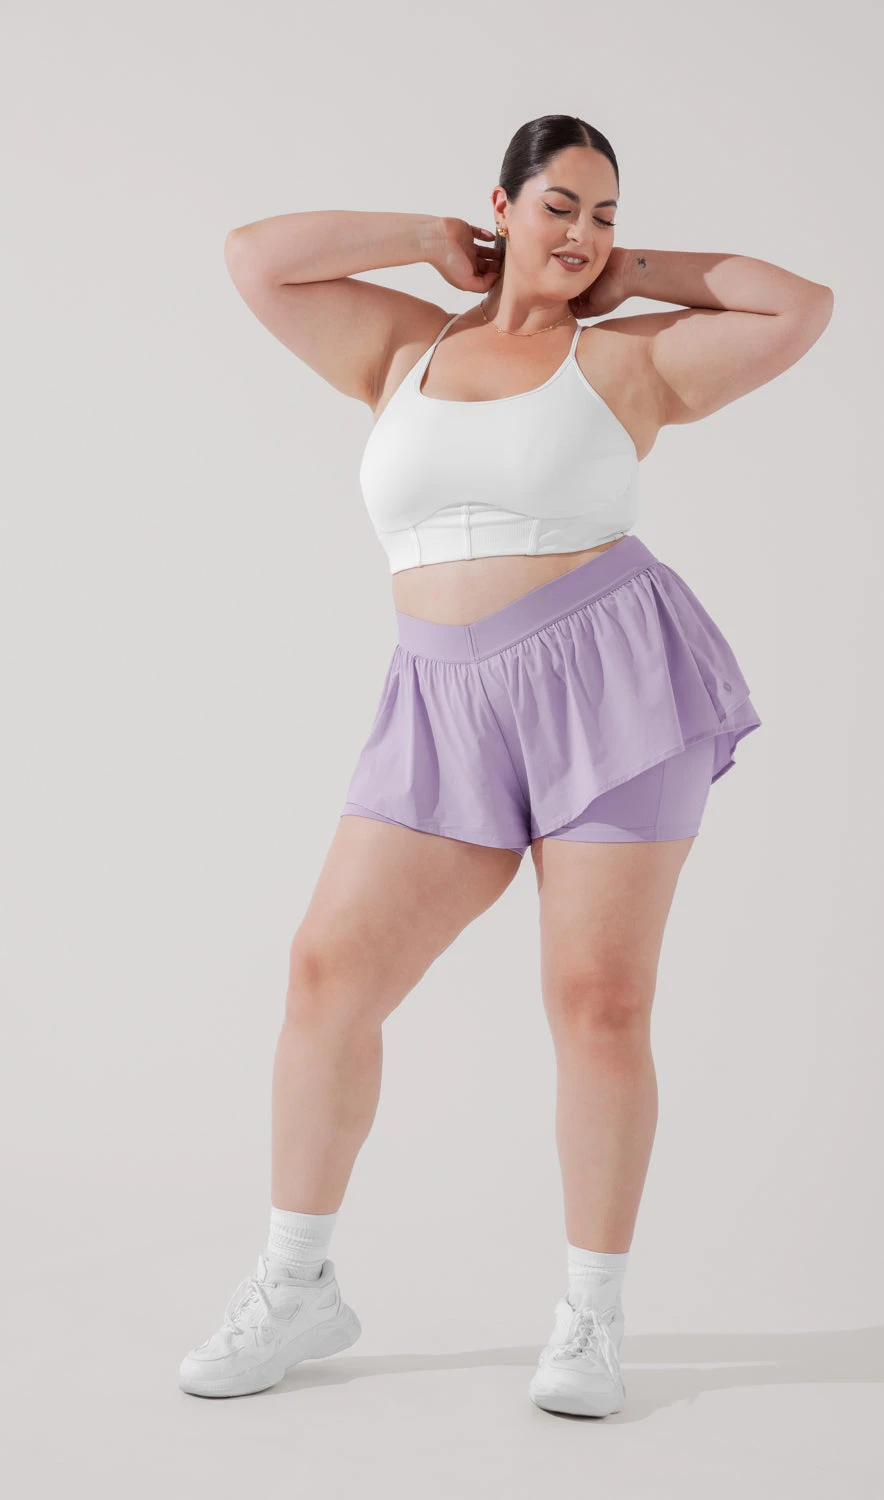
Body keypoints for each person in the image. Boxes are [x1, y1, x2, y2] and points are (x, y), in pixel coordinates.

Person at [179, 114, 833, 1415]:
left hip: (611, 685)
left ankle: (590, 1317)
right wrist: (428, 244)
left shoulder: (626, 359)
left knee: (598, 1002)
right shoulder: (403, 349)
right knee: (328, 973)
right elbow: (256, 257)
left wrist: (631, 273)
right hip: (440, 702)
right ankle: (297, 1285)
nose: (583, 232)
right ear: (503, 205)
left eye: (605, 213)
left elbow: (797, 307)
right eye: (560, 206)